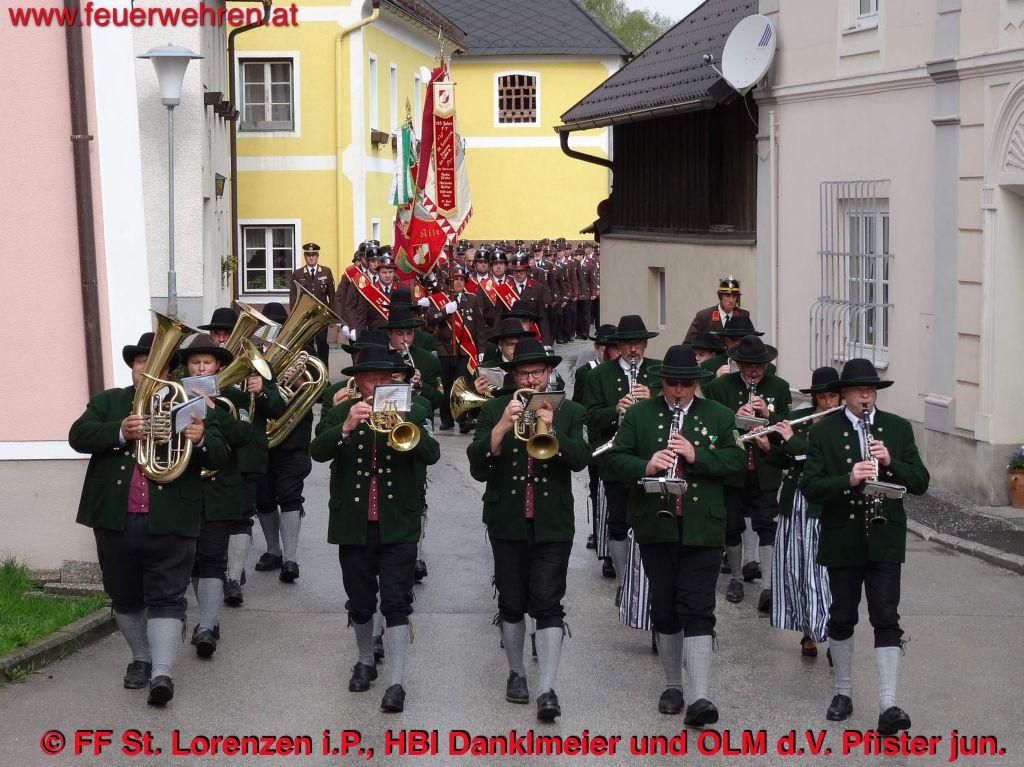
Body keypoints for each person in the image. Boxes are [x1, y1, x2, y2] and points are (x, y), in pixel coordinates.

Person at [68, 331, 228, 706]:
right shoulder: (110, 402)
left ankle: (162, 672)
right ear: (134, 368)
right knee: (124, 596)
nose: (149, 370)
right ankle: (141, 657)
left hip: (172, 519)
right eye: (143, 363)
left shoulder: (192, 403)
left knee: (168, 596)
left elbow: (220, 456)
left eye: (157, 364)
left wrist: (202, 437)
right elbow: (78, 436)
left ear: (171, 372)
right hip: (114, 518)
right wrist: (118, 431)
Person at [602, 345, 745, 723]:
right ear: (661, 381)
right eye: (672, 383)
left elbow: (737, 463)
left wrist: (698, 456)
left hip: (702, 527)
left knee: (698, 607)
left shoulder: (718, 415)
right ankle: (672, 685)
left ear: (695, 383)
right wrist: (645, 464)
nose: (678, 391)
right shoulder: (639, 415)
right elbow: (613, 461)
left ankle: (700, 697)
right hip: (656, 523)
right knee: (665, 606)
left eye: (685, 384)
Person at [800, 358, 929, 735]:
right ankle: (842, 692)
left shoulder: (897, 428)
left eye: (871, 390)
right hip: (843, 536)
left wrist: (892, 463)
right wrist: (849, 478)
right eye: (860, 391)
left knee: (886, 617)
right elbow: (811, 486)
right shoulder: (824, 432)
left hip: (885, 536)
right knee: (842, 616)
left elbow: (920, 482)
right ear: (844, 395)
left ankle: (889, 703)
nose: (867, 396)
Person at [310, 347, 440, 713]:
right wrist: (347, 425)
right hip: (353, 521)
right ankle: (366, 659)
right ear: (359, 381)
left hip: (398, 520)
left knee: (397, 600)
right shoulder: (339, 411)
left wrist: (407, 421)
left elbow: (431, 454)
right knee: (361, 598)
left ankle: (397, 680)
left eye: (388, 378)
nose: (381, 384)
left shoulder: (415, 409)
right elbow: (318, 451)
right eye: (373, 378)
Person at [467, 339, 591, 721]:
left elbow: (581, 459)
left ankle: (547, 687)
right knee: (512, 600)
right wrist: (502, 428)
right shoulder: (492, 409)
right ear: (513, 375)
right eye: (523, 373)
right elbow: (476, 466)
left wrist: (554, 431)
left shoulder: (570, 411)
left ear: (549, 373)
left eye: (537, 372)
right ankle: (517, 672)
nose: (531, 379)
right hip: (507, 520)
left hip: (552, 521)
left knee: (549, 602)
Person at [199, 307, 286, 607]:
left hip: (246, 456)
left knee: (240, 515)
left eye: (227, 333)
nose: (222, 338)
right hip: (208, 455)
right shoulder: (201, 367)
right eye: (217, 333)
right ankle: (218, 567)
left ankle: (233, 576)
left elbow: (277, 408)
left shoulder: (257, 366)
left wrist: (262, 392)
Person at [174, 334, 250, 658]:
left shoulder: (235, 397)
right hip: (185, 489)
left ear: (218, 365)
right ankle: (209, 618)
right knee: (190, 559)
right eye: (195, 363)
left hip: (221, 490)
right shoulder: (174, 395)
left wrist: (213, 411)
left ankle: (206, 626)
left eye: (206, 362)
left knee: (212, 557)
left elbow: (243, 436)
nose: (201, 367)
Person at [702, 336, 791, 608]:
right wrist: (734, 416)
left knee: (766, 523)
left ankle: (768, 587)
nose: (755, 372)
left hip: (764, 467)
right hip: (733, 469)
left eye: (760, 366)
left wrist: (769, 417)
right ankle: (737, 578)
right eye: (749, 366)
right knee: (732, 524)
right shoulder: (719, 388)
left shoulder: (780, 387)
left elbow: (787, 429)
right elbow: (711, 430)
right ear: (738, 363)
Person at [760, 367, 841, 658]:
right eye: (823, 397)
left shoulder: (843, 425)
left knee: (823, 574)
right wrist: (767, 446)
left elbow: (822, 461)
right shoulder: (799, 419)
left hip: (825, 507)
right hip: (795, 504)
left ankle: (835, 637)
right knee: (797, 570)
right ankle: (808, 631)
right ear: (815, 397)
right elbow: (788, 461)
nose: (830, 402)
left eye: (834, 396)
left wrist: (793, 441)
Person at [582, 315, 662, 602]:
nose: (634, 349)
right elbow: (589, 418)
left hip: (652, 458)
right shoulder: (600, 376)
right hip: (615, 457)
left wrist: (653, 398)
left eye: (639, 343)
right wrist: (615, 409)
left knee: (652, 522)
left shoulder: (658, 372)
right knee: (618, 521)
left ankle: (651, 581)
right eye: (628, 344)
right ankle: (623, 580)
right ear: (619, 345)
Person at [254, 302, 313, 584]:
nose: (273, 335)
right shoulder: (253, 358)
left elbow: (319, 387)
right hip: (262, 442)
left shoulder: (302, 357)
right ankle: (273, 550)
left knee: (290, 495)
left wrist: (299, 381)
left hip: (293, 439)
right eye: (269, 329)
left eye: (278, 329)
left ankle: (291, 558)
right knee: (263, 497)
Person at [573, 323, 618, 576]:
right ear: (597, 348)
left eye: (610, 347)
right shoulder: (586, 372)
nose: (607, 351)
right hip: (597, 442)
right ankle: (601, 539)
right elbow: (580, 408)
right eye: (603, 347)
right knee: (597, 491)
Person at [424, 264, 483, 433]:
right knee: (446, 385)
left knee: (462, 384)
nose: (458, 283)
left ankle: (464, 420)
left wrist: (482, 349)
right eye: (455, 279)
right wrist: (445, 311)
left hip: (465, 349)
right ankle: (447, 419)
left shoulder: (471, 298)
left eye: (461, 280)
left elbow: (479, 327)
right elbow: (430, 319)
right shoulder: (440, 298)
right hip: (445, 349)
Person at [289, 242, 335, 368]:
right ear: (305, 256)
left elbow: (332, 294)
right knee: (307, 344)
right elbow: (293, 297)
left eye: (313, 255)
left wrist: (332, 315)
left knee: (321, 342)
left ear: (317, 256)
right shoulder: (297, 274)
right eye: (308, 255)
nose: (311, 258)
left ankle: (324, 369)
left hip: (322, 314)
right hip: (306, 315)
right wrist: (294, 316)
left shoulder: (326, 271)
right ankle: (309, 369)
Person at [345, 251, 400, 333]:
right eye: (384, 272)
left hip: (397, 337)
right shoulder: (368, 291)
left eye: (390, 272)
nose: (387, 275)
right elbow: (361, 318)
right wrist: (357, 333)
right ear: (378, 272)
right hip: (376, 336)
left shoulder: (402, 290)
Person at [684, 276, 749, 343]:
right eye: (727, 296)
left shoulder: (743, 315)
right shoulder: (704, 316)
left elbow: (750, 344)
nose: (731, 300)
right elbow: (688, 343)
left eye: (734, 296)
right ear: (720, 296)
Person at [508, 253, 553, 346]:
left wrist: (546, 343)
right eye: (516, 272)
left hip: (532, 334)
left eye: (522, 271)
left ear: (527, 271)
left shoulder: (537, 287)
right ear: (512, 272)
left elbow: (542, 318)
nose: (518, 274)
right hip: (511, 335)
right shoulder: (505, 288)